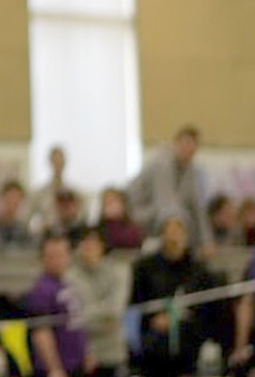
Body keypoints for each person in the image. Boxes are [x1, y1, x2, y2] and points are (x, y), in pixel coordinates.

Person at [130, 215, 218, 377]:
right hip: (154, 349)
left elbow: (206, 307)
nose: (174, 237)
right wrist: (152, 320)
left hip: (189, 346)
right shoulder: (145, 268)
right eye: (169, 231)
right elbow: (136, 302)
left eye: (178, 231)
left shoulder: (198, 270)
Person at [128, 126, 212, 250]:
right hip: (140, 215)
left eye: (192, 146)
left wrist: (207, 240)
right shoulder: (161, 163)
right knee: (177, 224)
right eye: (185, 144)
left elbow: (197, 207)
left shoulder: (191, 170)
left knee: (185, 223)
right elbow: (166, 205)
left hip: (160, 216)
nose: (188, 149)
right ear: (175, 143)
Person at [23, 234, 90, 377]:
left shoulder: (67, 284)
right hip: (59, 368)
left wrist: (86, 353)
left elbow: (77, 323)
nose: (59, 260)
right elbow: (41, 333)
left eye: (62, 254)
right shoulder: (41, 291)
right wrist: (54, 368)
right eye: (53, 256)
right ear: (42, 258)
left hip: (76, 364)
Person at [65, 228, 128, 377]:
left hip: (113, 354)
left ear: (102, 245)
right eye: (85, 243)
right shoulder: (69, 276)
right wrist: (102, 315)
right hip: (83, 355)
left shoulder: (119, 271)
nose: (89, 247)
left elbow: (115, 311)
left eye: (94, 243)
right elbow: (75, 318)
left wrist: (88, 314)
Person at [27, 146, 80, 233]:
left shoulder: (73, 193)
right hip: (46, 235)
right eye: (55, 161)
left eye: (60, 162)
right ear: (50, 163)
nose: (58, 165)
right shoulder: (39, 194)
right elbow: (28, 217)